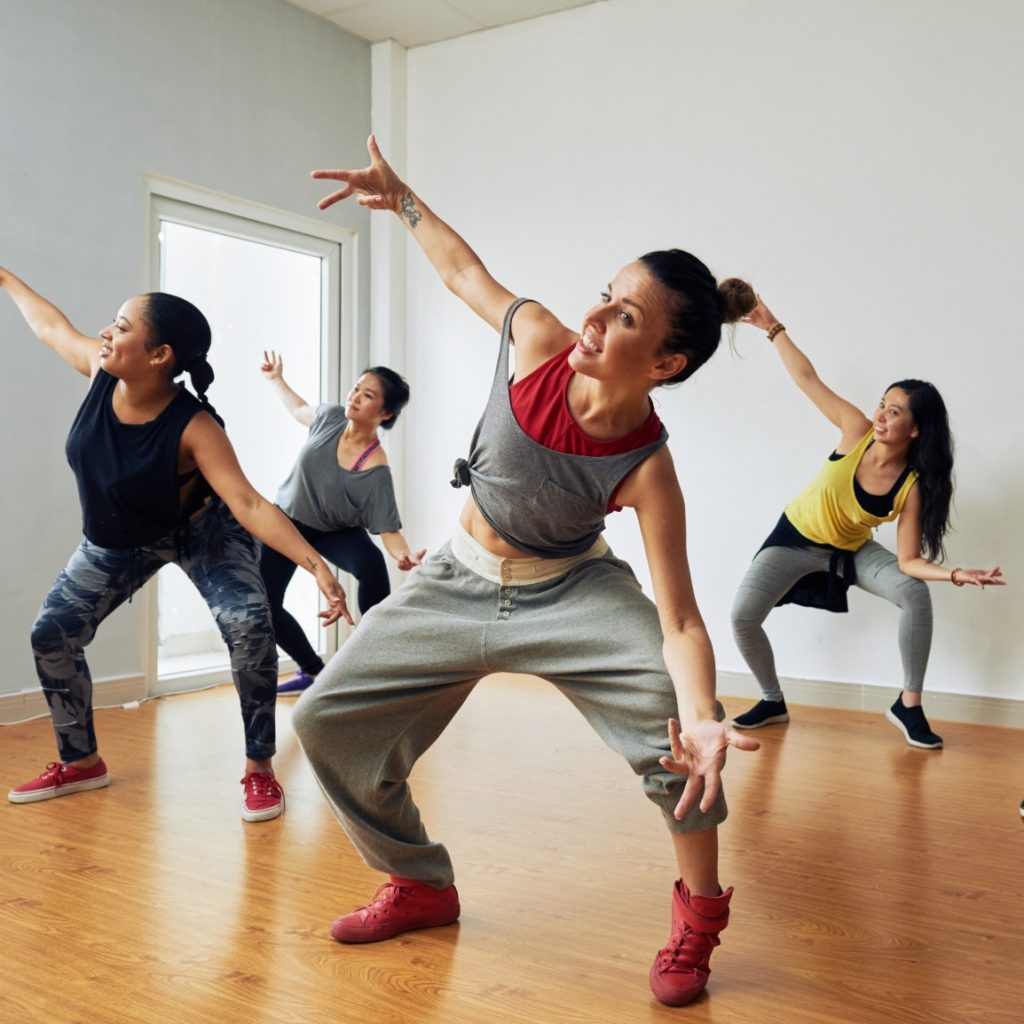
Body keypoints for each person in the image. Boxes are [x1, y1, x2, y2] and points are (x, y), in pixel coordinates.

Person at [290, 136, 760, 1008]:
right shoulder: (539, 340)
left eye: (625, 317)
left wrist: (702, 713)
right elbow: (465, 273)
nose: (596, 317)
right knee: (324, 720)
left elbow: (682, 620)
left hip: (572, 591)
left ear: (665, 364)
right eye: (606, 296)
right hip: (459, 576)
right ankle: (420, 883)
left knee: (683, 754)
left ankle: (699, 915)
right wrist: (402, 201)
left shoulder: (647, 465)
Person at [1, 267, 352, 821]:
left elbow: (250, 504)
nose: (105, 334)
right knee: (51, 635)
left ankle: (259, 769)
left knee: (249, 626)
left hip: (203, 534)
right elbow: (50, 327)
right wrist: (4, 278)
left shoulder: (195, 426)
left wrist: (317, 567)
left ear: (160, 355)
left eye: (120, 327)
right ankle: (81, 761)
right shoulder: (100, 373)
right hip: (117, 541)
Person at [730, 297, 1004, 749]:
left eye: (894, 411)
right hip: (793, 539)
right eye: (883, 403)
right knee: (742, 616)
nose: (880, 414)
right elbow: (806, 378)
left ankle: (908, 705)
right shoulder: (855, 430)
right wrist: (772, 327)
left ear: (915, 429)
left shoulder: (911, 485)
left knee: (914, 594)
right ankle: (772, 700)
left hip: (849, 551)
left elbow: (910, 561)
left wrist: (954, 574)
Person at [258, 351, 424, 694]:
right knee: (264, 602)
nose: (355, 397)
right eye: (356, 388)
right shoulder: (331, 417)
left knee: (371, 563)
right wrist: (277, 379)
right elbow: (299, 408)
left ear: (385, 413)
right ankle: (313, 671)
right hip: (286, 521)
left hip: (334, 531)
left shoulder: (375, 466)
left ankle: (378, 662)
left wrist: (402, 556)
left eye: (368, 395)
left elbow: (387, 528)